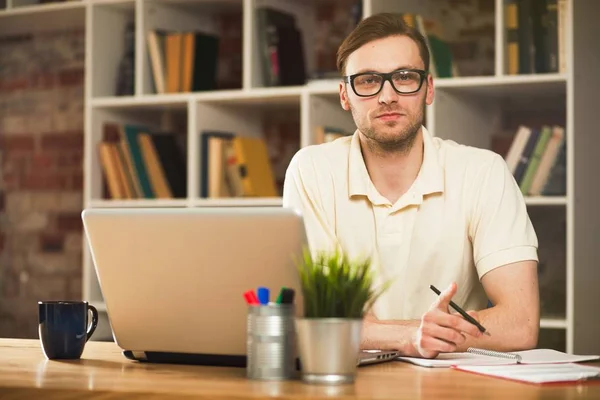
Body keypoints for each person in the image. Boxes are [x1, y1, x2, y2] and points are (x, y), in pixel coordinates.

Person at [282, 13, 540, 359]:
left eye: (404, 77)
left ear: (428, 88)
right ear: (345, 95)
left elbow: (520, 323)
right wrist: (411, 335)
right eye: (369, 81)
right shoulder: (312, 171)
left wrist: (412, 335)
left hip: (455, 387)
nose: (388, 96)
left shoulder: (483, 172)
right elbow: (321, 317)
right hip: (348, 382)